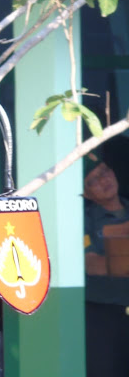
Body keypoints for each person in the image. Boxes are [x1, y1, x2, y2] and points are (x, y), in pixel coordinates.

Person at [83, 160, 129, 377]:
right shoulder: (85, 220)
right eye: (93, 180)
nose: (104, 180)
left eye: (105, 171)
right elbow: (91, 264)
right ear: (87, 194)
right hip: (103, 316)